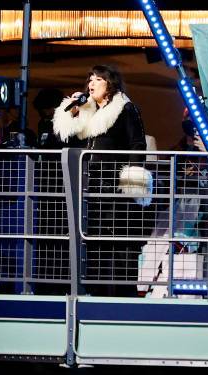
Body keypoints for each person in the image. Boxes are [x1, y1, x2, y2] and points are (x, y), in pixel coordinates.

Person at [53, 65, 153, 296]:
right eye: (90, 79)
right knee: (93, 242)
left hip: (114, 186)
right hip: (88, 187)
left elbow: (137, 144)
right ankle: (95, 291)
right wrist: (72, 112)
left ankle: (122, 294)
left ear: (110, 84)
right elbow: (62, 137)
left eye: (98, 79)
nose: (92, 83)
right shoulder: (86, 110)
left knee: (119, 244)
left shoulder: (125, 109)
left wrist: (133, 182)